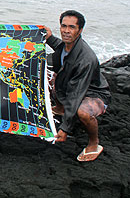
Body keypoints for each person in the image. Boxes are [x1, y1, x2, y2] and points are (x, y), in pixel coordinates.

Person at [43, 10, 111, 162]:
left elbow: (76, 94)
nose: (66, 31)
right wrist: (48, 37)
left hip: (94, 93)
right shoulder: (67, 45)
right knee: (48, 78)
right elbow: (60, 46)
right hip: (75, 86)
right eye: (63, 26)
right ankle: (60, 108)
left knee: (83, 113)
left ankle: (94, 143)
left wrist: (65, 128)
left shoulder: (86, 59)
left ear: (80, 30)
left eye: (72, 27)